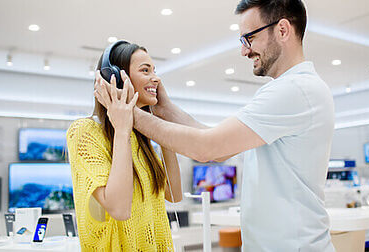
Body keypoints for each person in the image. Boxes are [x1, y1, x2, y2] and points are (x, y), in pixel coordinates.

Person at [95, 0, 335, 250]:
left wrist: (128, 114)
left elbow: (207, 149)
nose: (244, 51)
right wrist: (163, 110)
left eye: (248, 38)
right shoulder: (290, 89)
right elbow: (215, 142)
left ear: (283, 30)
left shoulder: (294, 90)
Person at [67, 42, 182, 251]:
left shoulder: (140, 137)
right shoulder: (84, 132)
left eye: (154, 71)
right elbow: (119, 209)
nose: (156, 78)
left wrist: (163, 123)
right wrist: (121, 129)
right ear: (117, 79)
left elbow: (174, 194)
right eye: (145, 70)